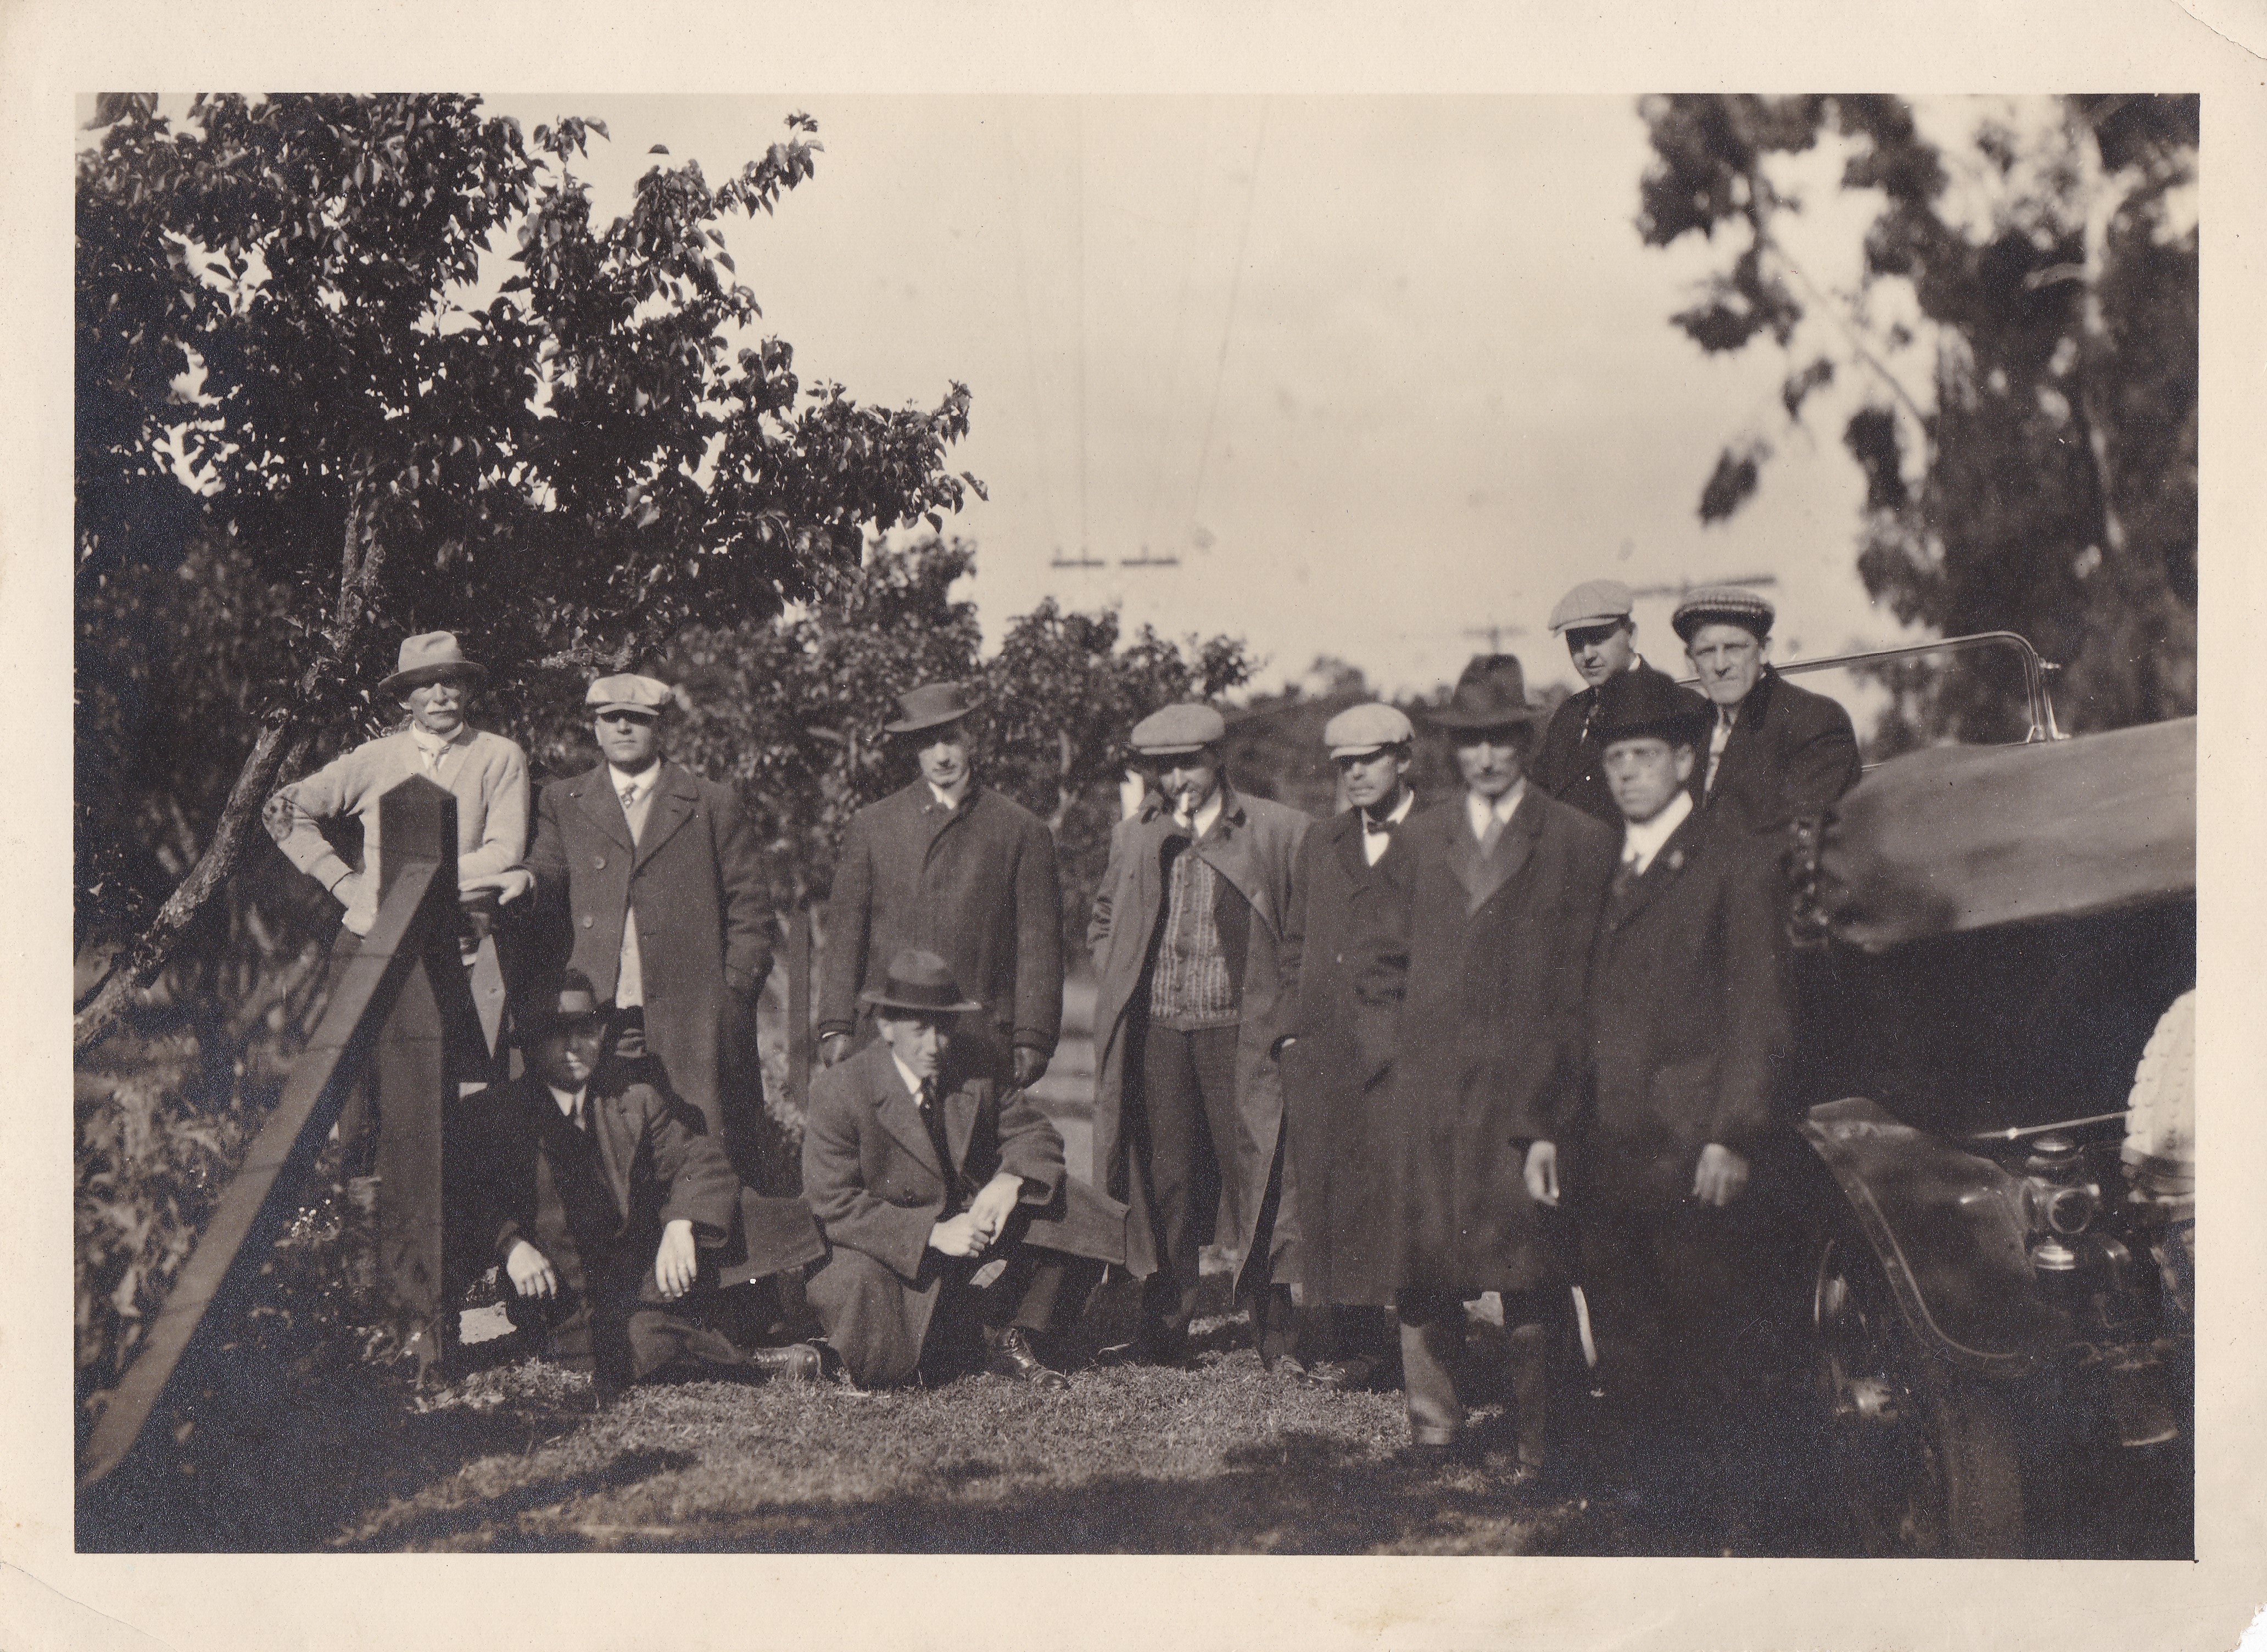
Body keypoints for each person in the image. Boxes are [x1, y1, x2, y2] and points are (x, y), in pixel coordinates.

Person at [1351, 656, 1617, 1476]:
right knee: (1424, 1268)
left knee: (1531, 1270)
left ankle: (1544, 1442)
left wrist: (1562, 1095)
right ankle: (1433, 1430)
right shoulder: (1418, 840)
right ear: (1452, 750)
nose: (1488, 757)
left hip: (1529, 1096)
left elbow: (1593, 981)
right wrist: (1392, 1067)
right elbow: (1376, 965)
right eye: (1471, 742)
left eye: (1502, 739)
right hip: (1430, 1092)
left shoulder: (1577, 841)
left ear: (1525, 743)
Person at [1575, 667, 1795, 1539]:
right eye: (1614, 758)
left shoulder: (1731, 861)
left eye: (1643, 755)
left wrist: (1733, 1135)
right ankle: (1658, 1524)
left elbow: (1759, 1013)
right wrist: (1550, 1131)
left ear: (1684, 760)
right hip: (1609, 1151)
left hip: (1693, 1151)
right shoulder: (1597, 868)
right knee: (1627, 1348)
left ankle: (1741, 1528)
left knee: (1713, 1348)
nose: (1627, 772)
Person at [454, 969, 821, 1398]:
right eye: (556, 1033)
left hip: (643, 1277)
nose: (574, 1046)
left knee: (764, 1224)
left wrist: (681, 1224)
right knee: (634, 1345)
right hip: (562, 1298)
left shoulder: (635, 1099)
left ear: (602, 1032)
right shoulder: (495, 1113)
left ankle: (777, 1320)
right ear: (532, 1042)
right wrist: (511, 1245)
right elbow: (464, 1194)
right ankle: (752, 1362)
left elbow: (701, 1160)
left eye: (586, 1029)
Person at [1088, 704, 1310, 1370]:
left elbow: (1303, 933)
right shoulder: (1136, 836)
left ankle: (1277, 1334)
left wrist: (1286, 1018)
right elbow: (1104, 917)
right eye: (1163, 767)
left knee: (1257, 1176)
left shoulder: (1277, 830)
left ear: (1218, 759)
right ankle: (1164, 1329)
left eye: (1188, 763)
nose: (1176, 779)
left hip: (1240, 1035)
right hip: (1160, 1033)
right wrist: (1119, 970)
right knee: (1169, 1181)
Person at [801, 951, 1119, 1389]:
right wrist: (931, 1234)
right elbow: (833, 1204)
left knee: (1073, 1206)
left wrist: (1010, 1180)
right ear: (887, 1027)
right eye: (919, 1031)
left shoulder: (976, 1066)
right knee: (872, 1311)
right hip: (886, 1249)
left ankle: (1017, 1337)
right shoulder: (840, 1090)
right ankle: (953, 1336)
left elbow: (1035, 1134)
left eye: (944, 1028)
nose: (934, 1045)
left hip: (967, 1237)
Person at [527, 673, 780, 1187]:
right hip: (597, 1009)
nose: (624, 727)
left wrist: (731, 995)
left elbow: (751, 911)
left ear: (659, 727)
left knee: (703, 1141)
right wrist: (522, 880)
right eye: (611, 718)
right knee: (602, 1144)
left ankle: (702, 1233)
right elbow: (546, 875)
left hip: (692, 1012)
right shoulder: (563, 801)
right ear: (595, 728)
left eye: (638, 719)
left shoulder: (710, 803)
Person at [818, 680, 1064, 1090]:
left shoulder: (1020, 831)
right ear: (913, 749)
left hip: (980, 1042)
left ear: (972, 739)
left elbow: (1039, 946)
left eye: (951, 739)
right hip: (888, 1037)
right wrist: (835, 1025)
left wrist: (1033, 1037)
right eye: (928, 743)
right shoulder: (873, 827)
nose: (942, 756)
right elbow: (846, 936)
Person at [1276, 703, 1420, 1392]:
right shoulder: (1323, 840)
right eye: (1345, 764)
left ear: (1405, 759)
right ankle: (1357, 1344)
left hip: (1403, 1049)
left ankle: (1427, 1345)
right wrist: (1291, 1028)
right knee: (1336, 1195)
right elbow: (1296, 939)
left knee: (1405, 1196)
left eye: (1370, 759)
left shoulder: (1439, 838)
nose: (1356, 773)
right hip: (1327, 1046)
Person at [265, 629, 534, 937]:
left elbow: (504, 851)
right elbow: (279, 809)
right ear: (404, 699)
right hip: (371, 936)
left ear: (468, 688)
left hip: (460, 939)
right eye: (424, 685)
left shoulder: (499, 756)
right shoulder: (375, 758)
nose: (440, 696)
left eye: (450, 681)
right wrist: (339, 879)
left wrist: (419, 884)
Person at [1670, 585, 1862, 837]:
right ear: (1690, 661)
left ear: (1764, 650)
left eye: (1734, 648)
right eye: (1706, 652)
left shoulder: (1815, 721)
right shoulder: (1689, 727)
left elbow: (1797, 840)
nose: (1720, 665)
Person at [1530, 579, 1684, 827]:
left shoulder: (1675, 705)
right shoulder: (1569, 713)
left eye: (1598, 638)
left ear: (1631, 635)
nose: (1587, 655)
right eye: (1575, 642)